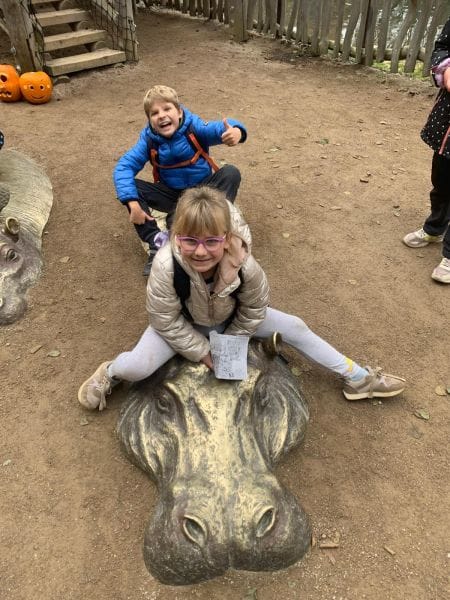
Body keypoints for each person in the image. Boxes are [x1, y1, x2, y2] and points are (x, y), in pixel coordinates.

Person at [78, 187, 405, 411]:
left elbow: (254, 308)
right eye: (190, 241)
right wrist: (201, 350)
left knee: (296, 326)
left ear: (227, 239)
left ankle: (357, 377)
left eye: (211, 241)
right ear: (177, 238)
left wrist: (232, 343)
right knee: (138, 366)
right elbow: (163, 319)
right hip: (184, 324)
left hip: (231, 317)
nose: (201, 251)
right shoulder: (165, 265)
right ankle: (111, 372)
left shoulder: (246, 266)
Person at [113, 84, 247, 276]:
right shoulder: (148, 140)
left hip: (204, 191)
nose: (161, 115)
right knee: (130, 189)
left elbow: (218, 128)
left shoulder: (193, 127)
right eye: (154, 113)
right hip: (172, 195)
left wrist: (236, 132)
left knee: (230, 172)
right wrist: (132, 202)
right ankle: (156, 242)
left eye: (167, 109)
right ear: (150, 120)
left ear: (179, 112)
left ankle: (217, 220)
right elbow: (124, 167)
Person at [403, 19, 450, 283]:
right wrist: (446, 68)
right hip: (447, 125)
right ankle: (435, 228)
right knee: (441, 181)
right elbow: (442, 46)